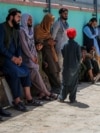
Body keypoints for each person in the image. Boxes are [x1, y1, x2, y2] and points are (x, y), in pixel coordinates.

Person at [0, 8, 42, 112]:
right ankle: (17, 101)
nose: (19, 19)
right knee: (14, 73)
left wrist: (19, 57)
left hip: (14, 59)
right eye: (18, 16)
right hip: (4, 59)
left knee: (26, 70)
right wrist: (12, 58)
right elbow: (0, 47)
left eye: (20, 17)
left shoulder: (16, 29)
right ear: (11, 17)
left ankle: (29, 98)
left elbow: (18, 46)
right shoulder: (2, 28)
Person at [20, 14, 57, 100]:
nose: (30, 21)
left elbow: (33, 44)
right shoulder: (22, 31)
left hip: (34, 56)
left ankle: (44, 93)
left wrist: (35, 56)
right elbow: (25, 47)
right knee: (35, 72)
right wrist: (32, 57)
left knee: (38, 71)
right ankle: (46, 92)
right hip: (26, 58)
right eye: (28, 20)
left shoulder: (30, 30)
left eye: (31, 19)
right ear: (24, 20)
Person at [35, 14, 61, 94]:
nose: (52, 24)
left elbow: (49, 39)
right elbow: (37, 42)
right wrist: (47, 42)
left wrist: (52, 42)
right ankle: (55, 86)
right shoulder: (38, 29)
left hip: (51, 51)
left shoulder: (48, 30)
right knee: (51, 69)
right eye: (50, 22)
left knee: (56, 69)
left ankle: (58, 86)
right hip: (44, 53)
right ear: (46, 21)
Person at [58, 28, 81, 103]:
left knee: (65, 82)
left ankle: (62, 97)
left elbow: (63, 53)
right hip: (74, 67)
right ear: (75, 35)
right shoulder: (77, 45)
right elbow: (79, 56)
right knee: (74, 83)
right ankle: (72, 98)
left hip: (66, 66)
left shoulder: (64, 45)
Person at [52, 8, 69, 81]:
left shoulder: (66, 24)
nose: (66, 15)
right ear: (60, 14)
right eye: (64, 13)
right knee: (60, 66)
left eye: (67, 13)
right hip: (60, 48)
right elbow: (53, 36)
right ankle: (60, 83)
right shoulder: (57, 23)